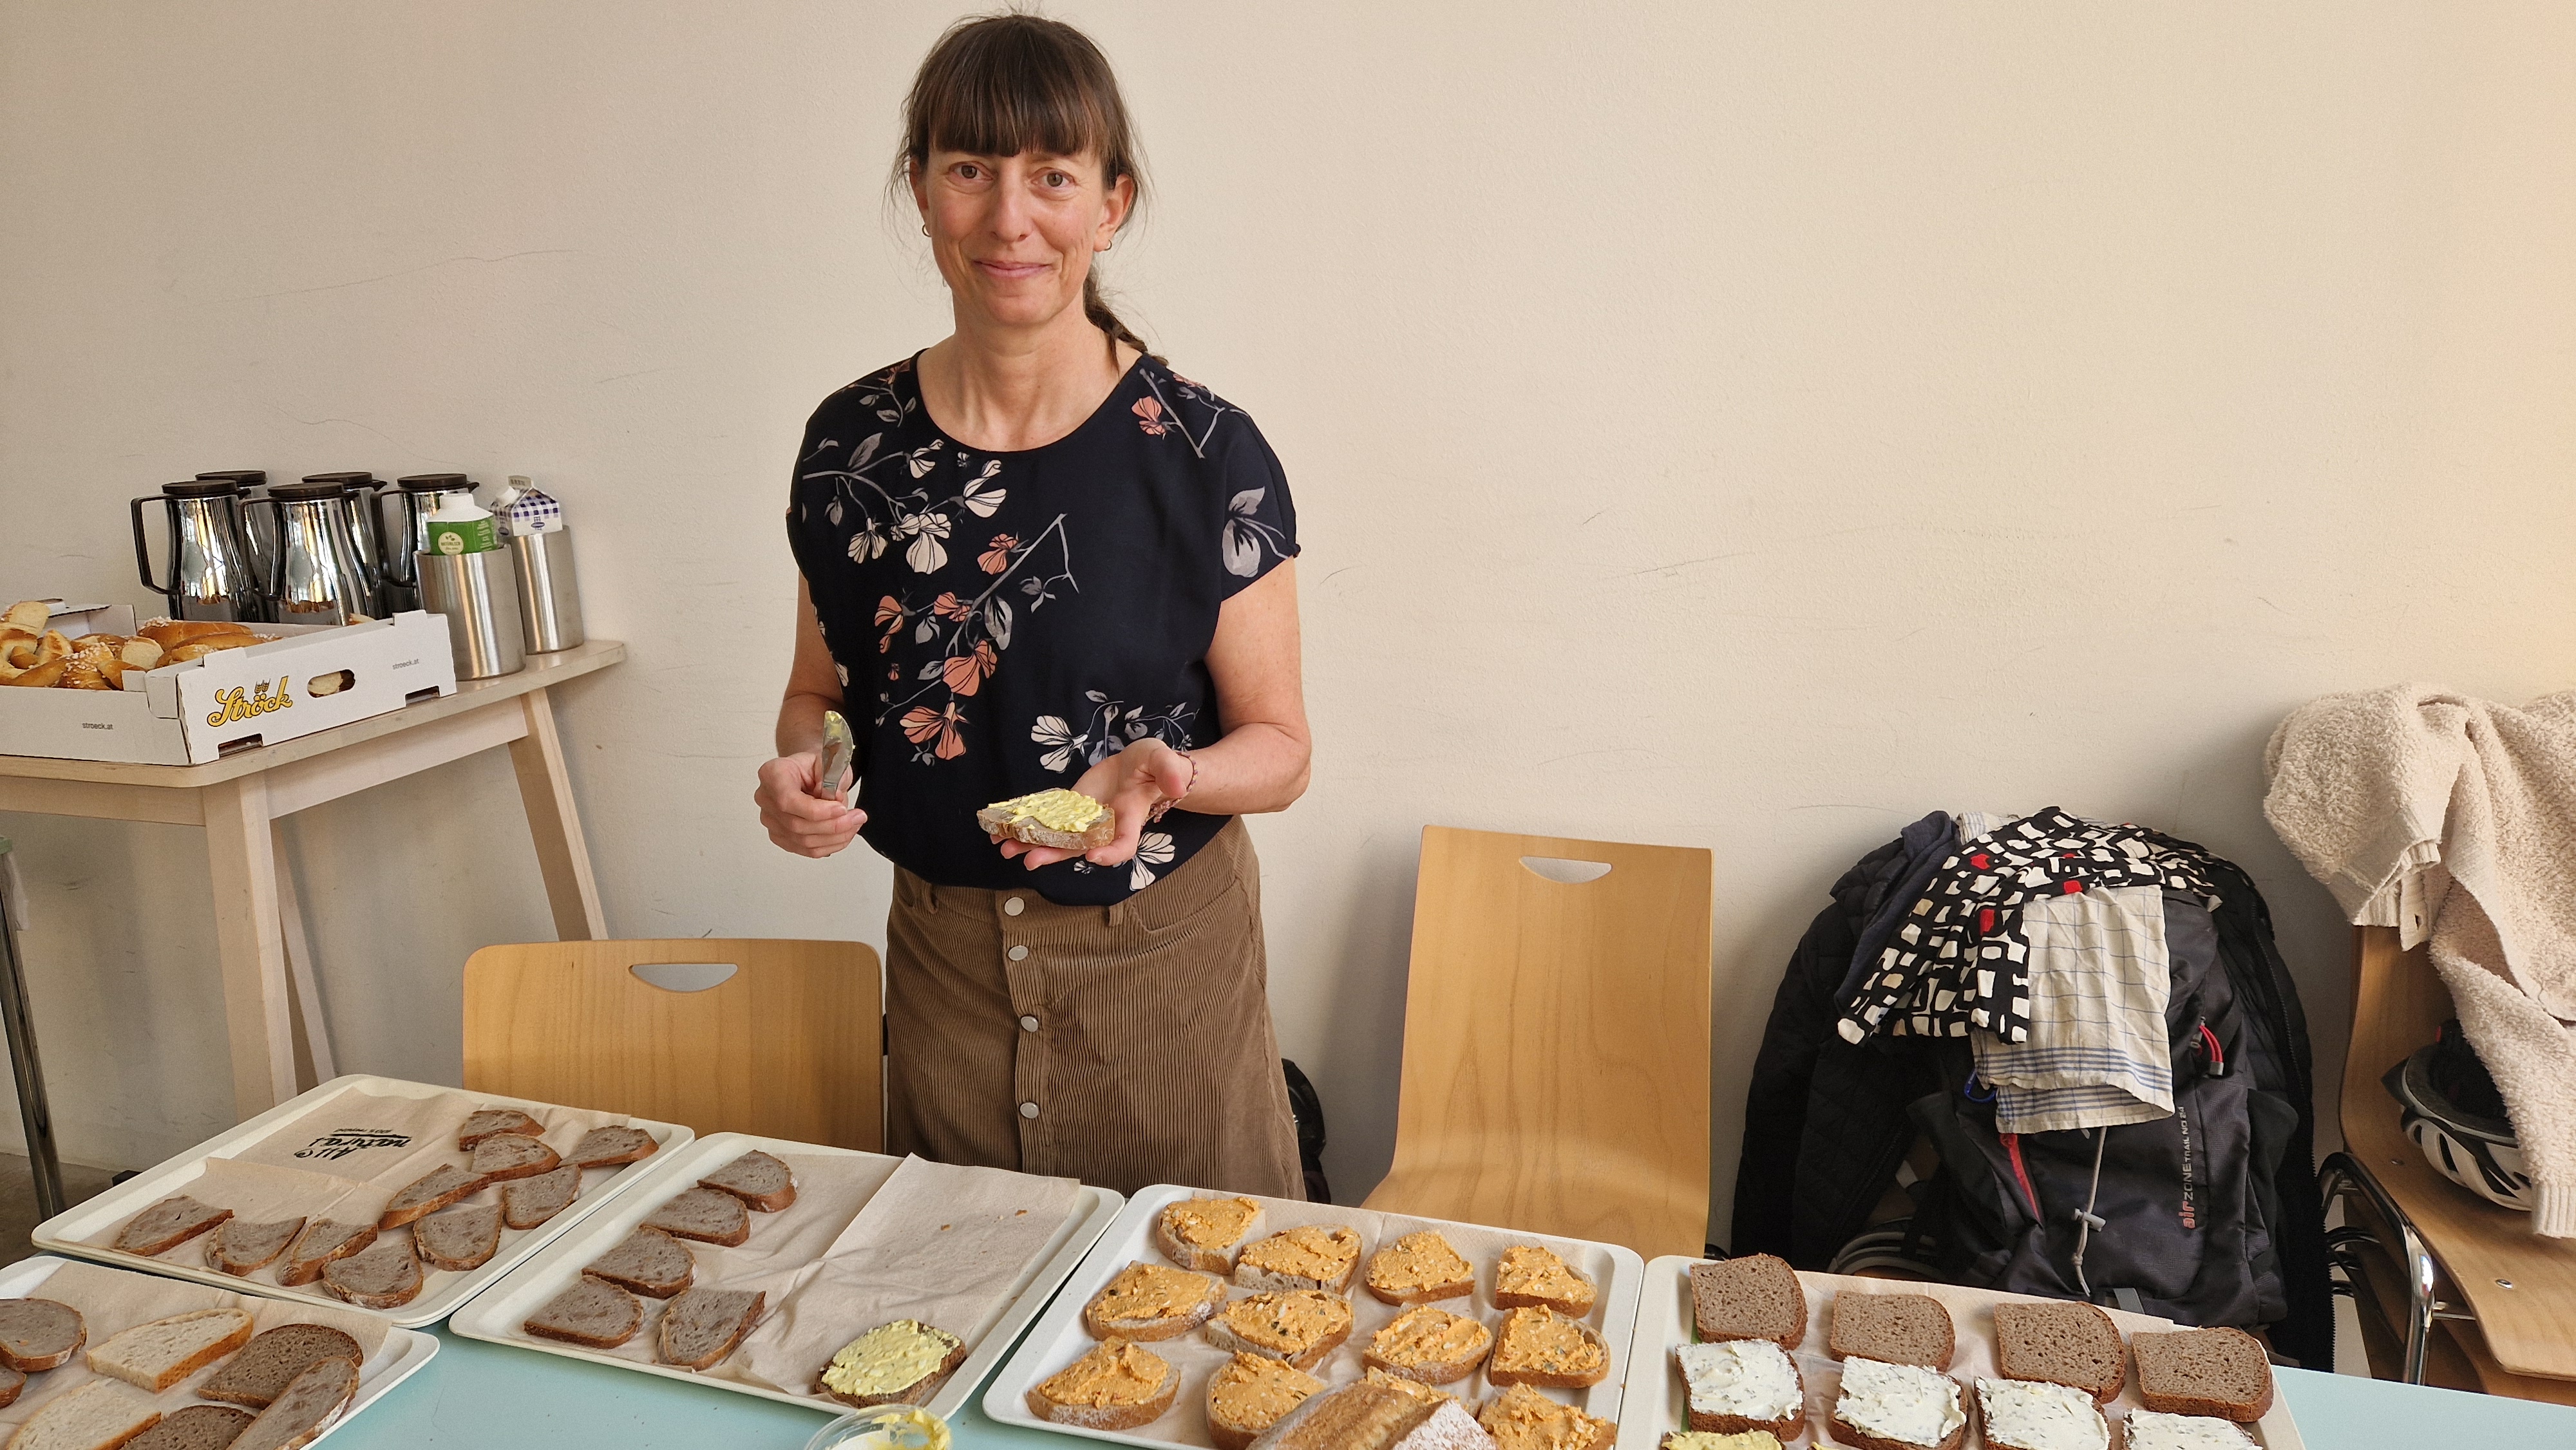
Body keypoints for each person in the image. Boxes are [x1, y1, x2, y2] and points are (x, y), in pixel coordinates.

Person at [753, 13, 1309, 1199]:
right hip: (942, 977)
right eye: (970, 170)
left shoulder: (1206, 455)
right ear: (922, 191)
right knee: (960, 1291)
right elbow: (819, 694)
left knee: (1196, 1295)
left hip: (1161, 975)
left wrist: (1173, 775)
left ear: (1110, 205)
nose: (1010, 219)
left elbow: (1282, 749)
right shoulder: (850, 448)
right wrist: (807, 771)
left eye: (1052, 176)